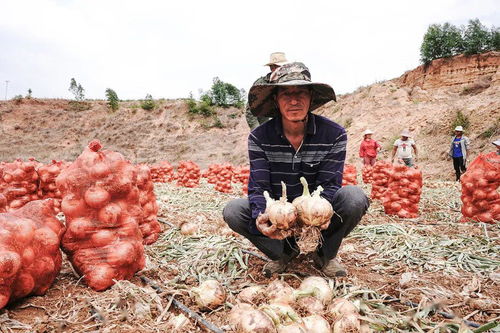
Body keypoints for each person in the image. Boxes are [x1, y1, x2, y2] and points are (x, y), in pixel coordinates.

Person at [223, 62, 369, 278]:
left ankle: (324, 253)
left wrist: (319, 215)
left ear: (311, 97)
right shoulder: (259, 137)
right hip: (280, 213)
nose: (294, 100)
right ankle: (282, 253)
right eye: (285, 93)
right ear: (275, 99)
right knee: (234, 211)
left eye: (300, 92)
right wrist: (263, 216)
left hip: (315, 214)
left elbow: (329, 185)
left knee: (354, 197)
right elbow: (259, 186)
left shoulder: (334, 134)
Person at [245, 52, 288, 130]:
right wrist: (257, 131)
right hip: (266, 126)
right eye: (273, 66)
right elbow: (250, 110)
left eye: (278, 66)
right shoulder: (261, 84)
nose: (275, 69)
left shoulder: (291, 83)